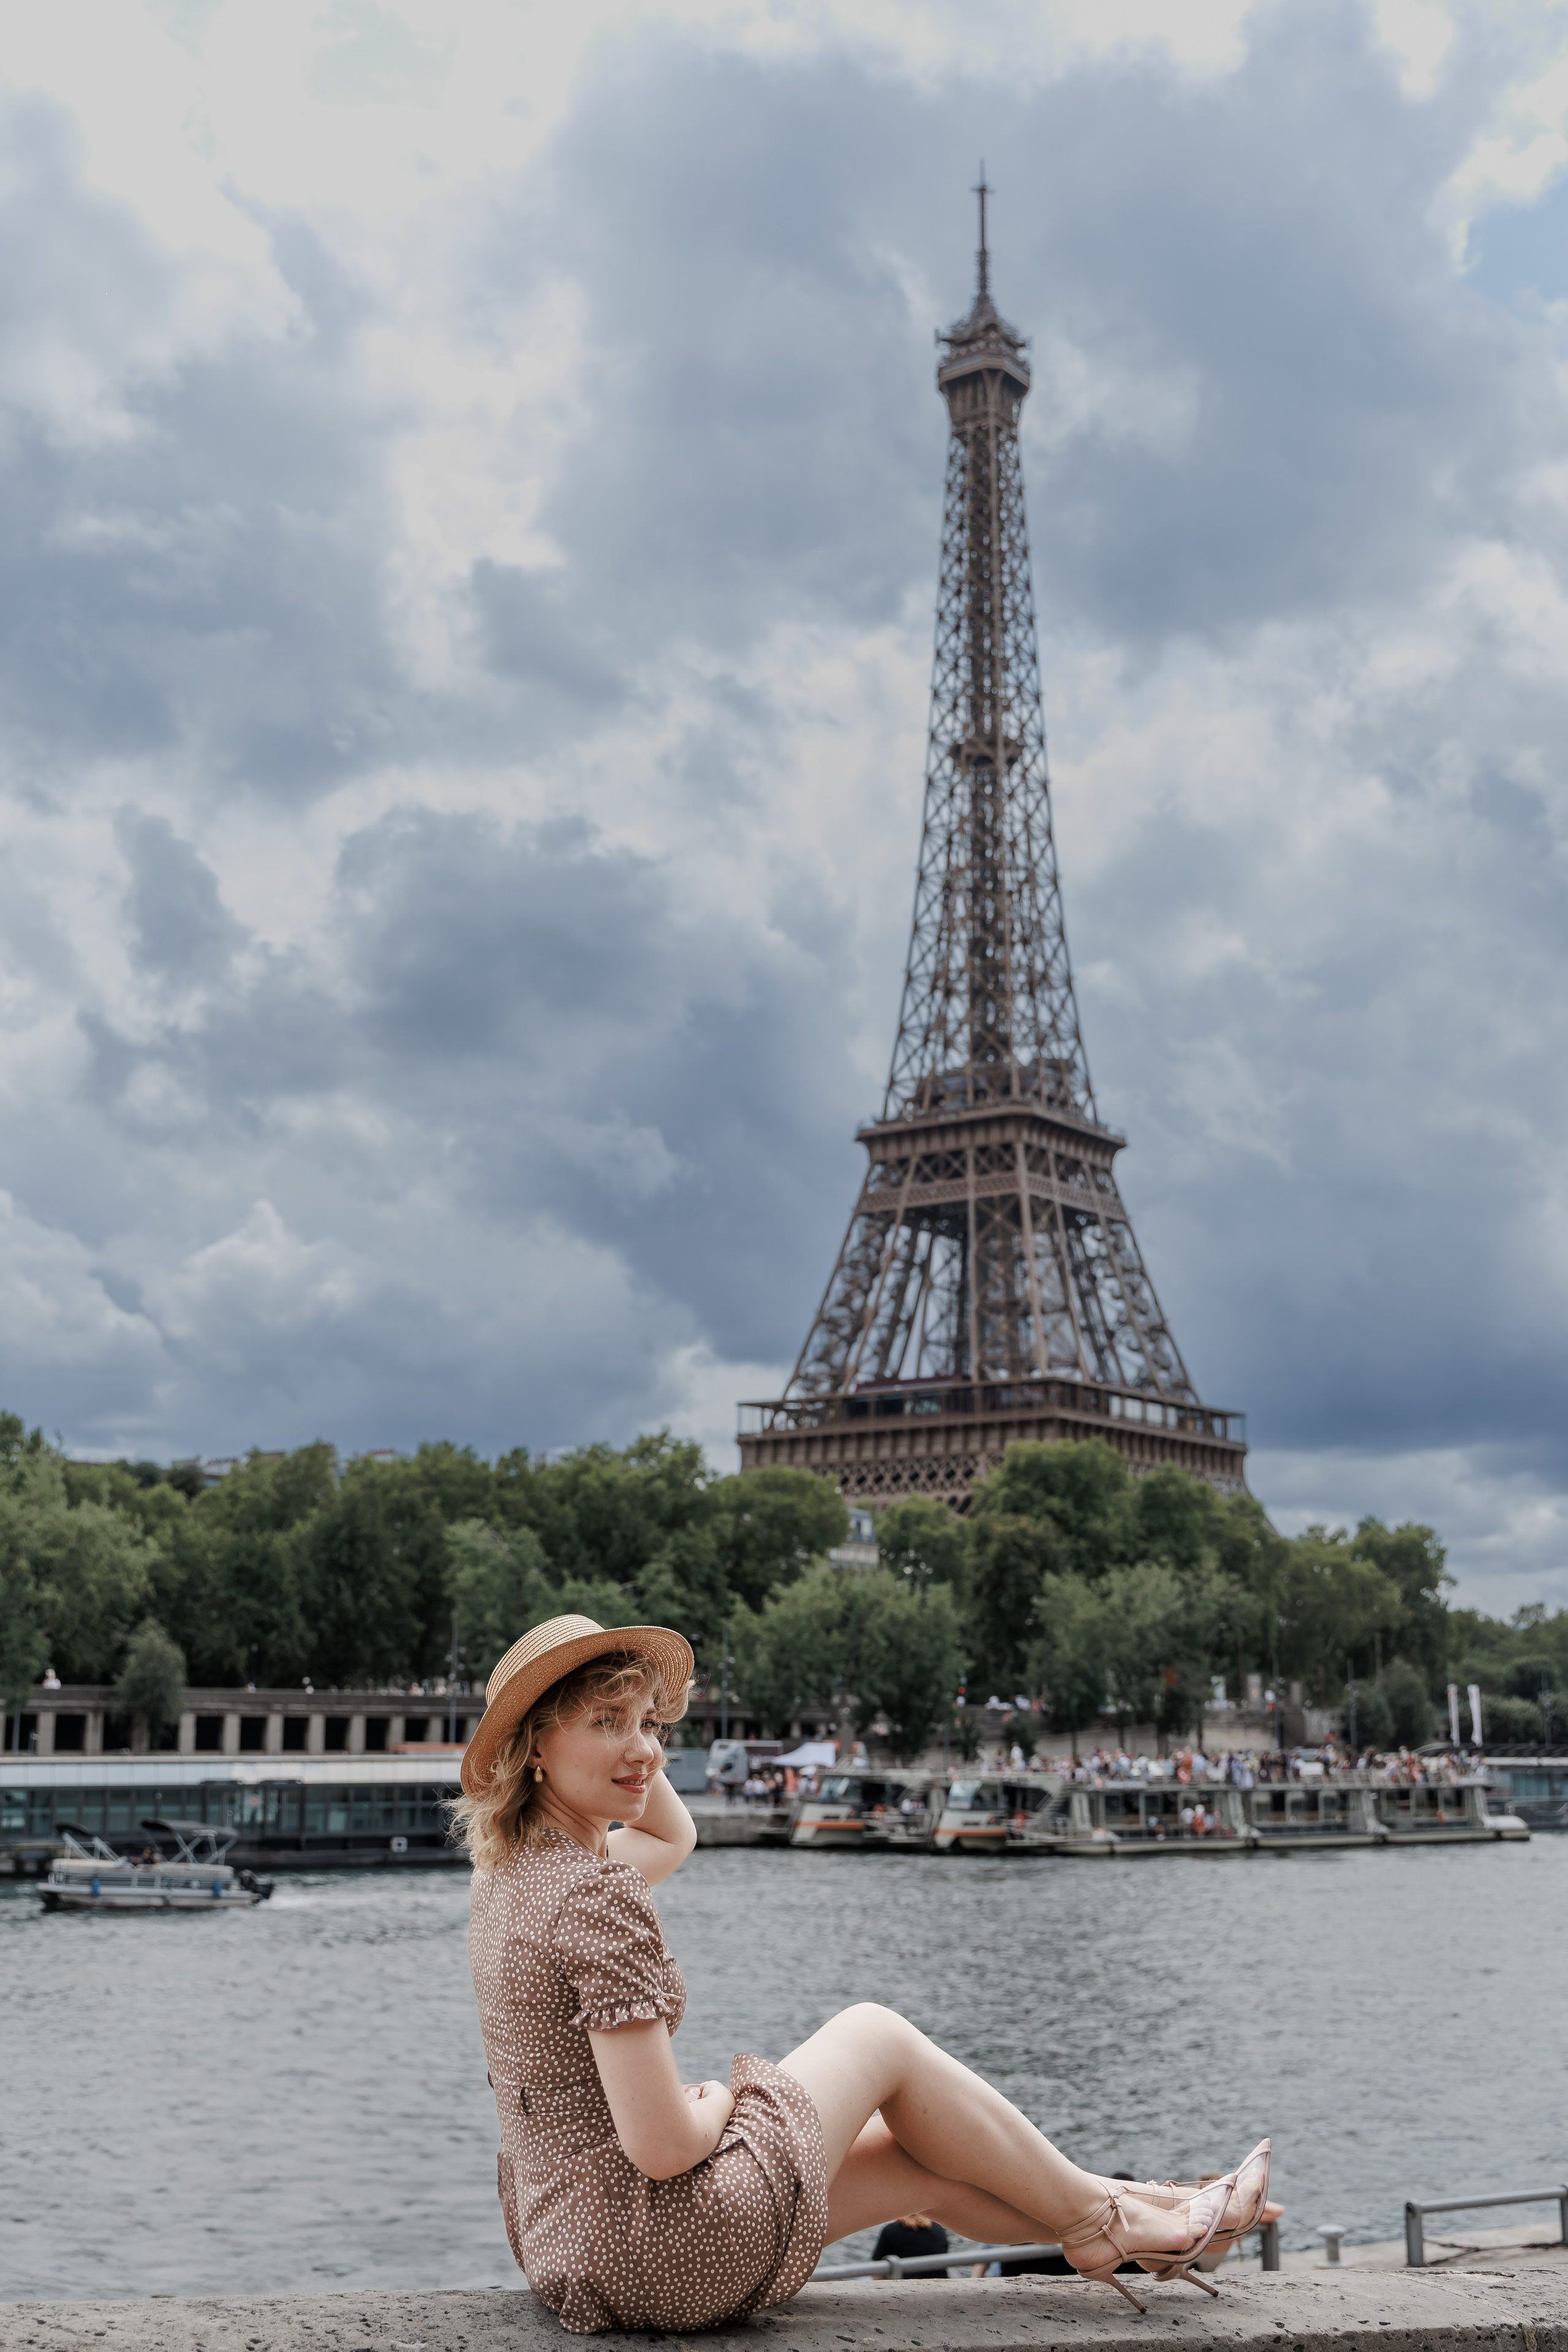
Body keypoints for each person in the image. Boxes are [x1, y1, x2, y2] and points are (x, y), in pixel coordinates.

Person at [456, 1613, 1270, 2336]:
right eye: (607, 1722)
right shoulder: (596, 1897)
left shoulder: (510, 1878)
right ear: (534, 1743)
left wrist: (623, 1738)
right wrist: (720, 2102)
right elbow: (666, 2147)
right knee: (874, 2034)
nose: (646, 1749)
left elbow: (671, 1838)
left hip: (571, 2245)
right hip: (658, 2243)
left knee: (918, 2160)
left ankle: (1148, 2215)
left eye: (649, 1724)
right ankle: (1112, 2220)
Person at [872, 2211, 949, 2277]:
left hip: (902, 2284)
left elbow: (877, 2268)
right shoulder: (939, 2229)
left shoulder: (891, 2230)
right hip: (938, 2282)